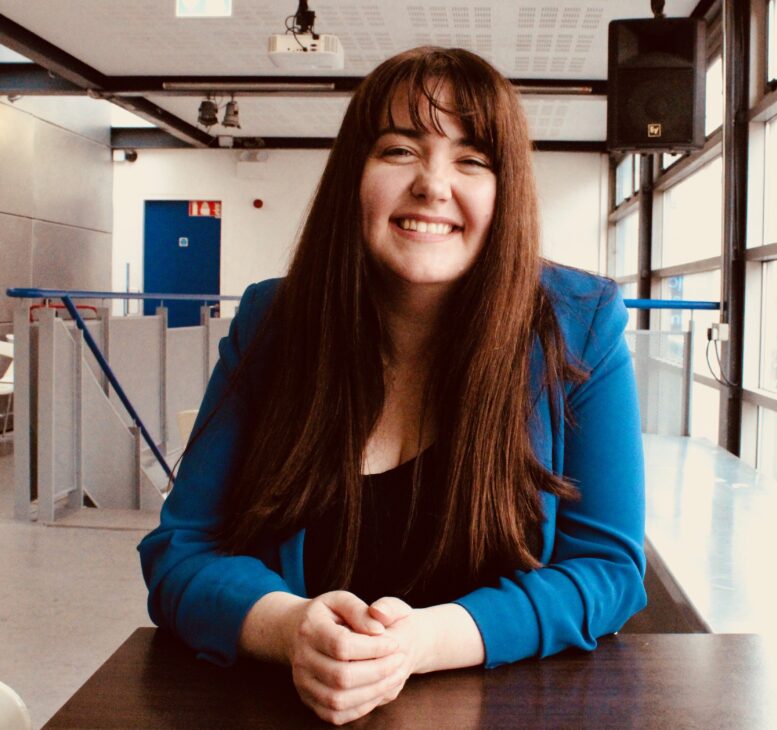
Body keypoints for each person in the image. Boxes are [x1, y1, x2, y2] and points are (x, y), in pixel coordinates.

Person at [138, 46, 645, 725]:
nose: (434, 185)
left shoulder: (579, 325)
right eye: (400, 150)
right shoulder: (275, 322)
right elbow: (180, 551)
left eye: (472, 160)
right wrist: (290, 628)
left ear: (507, 192)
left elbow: (609, 570)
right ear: (355, 175)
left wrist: (422, 643)